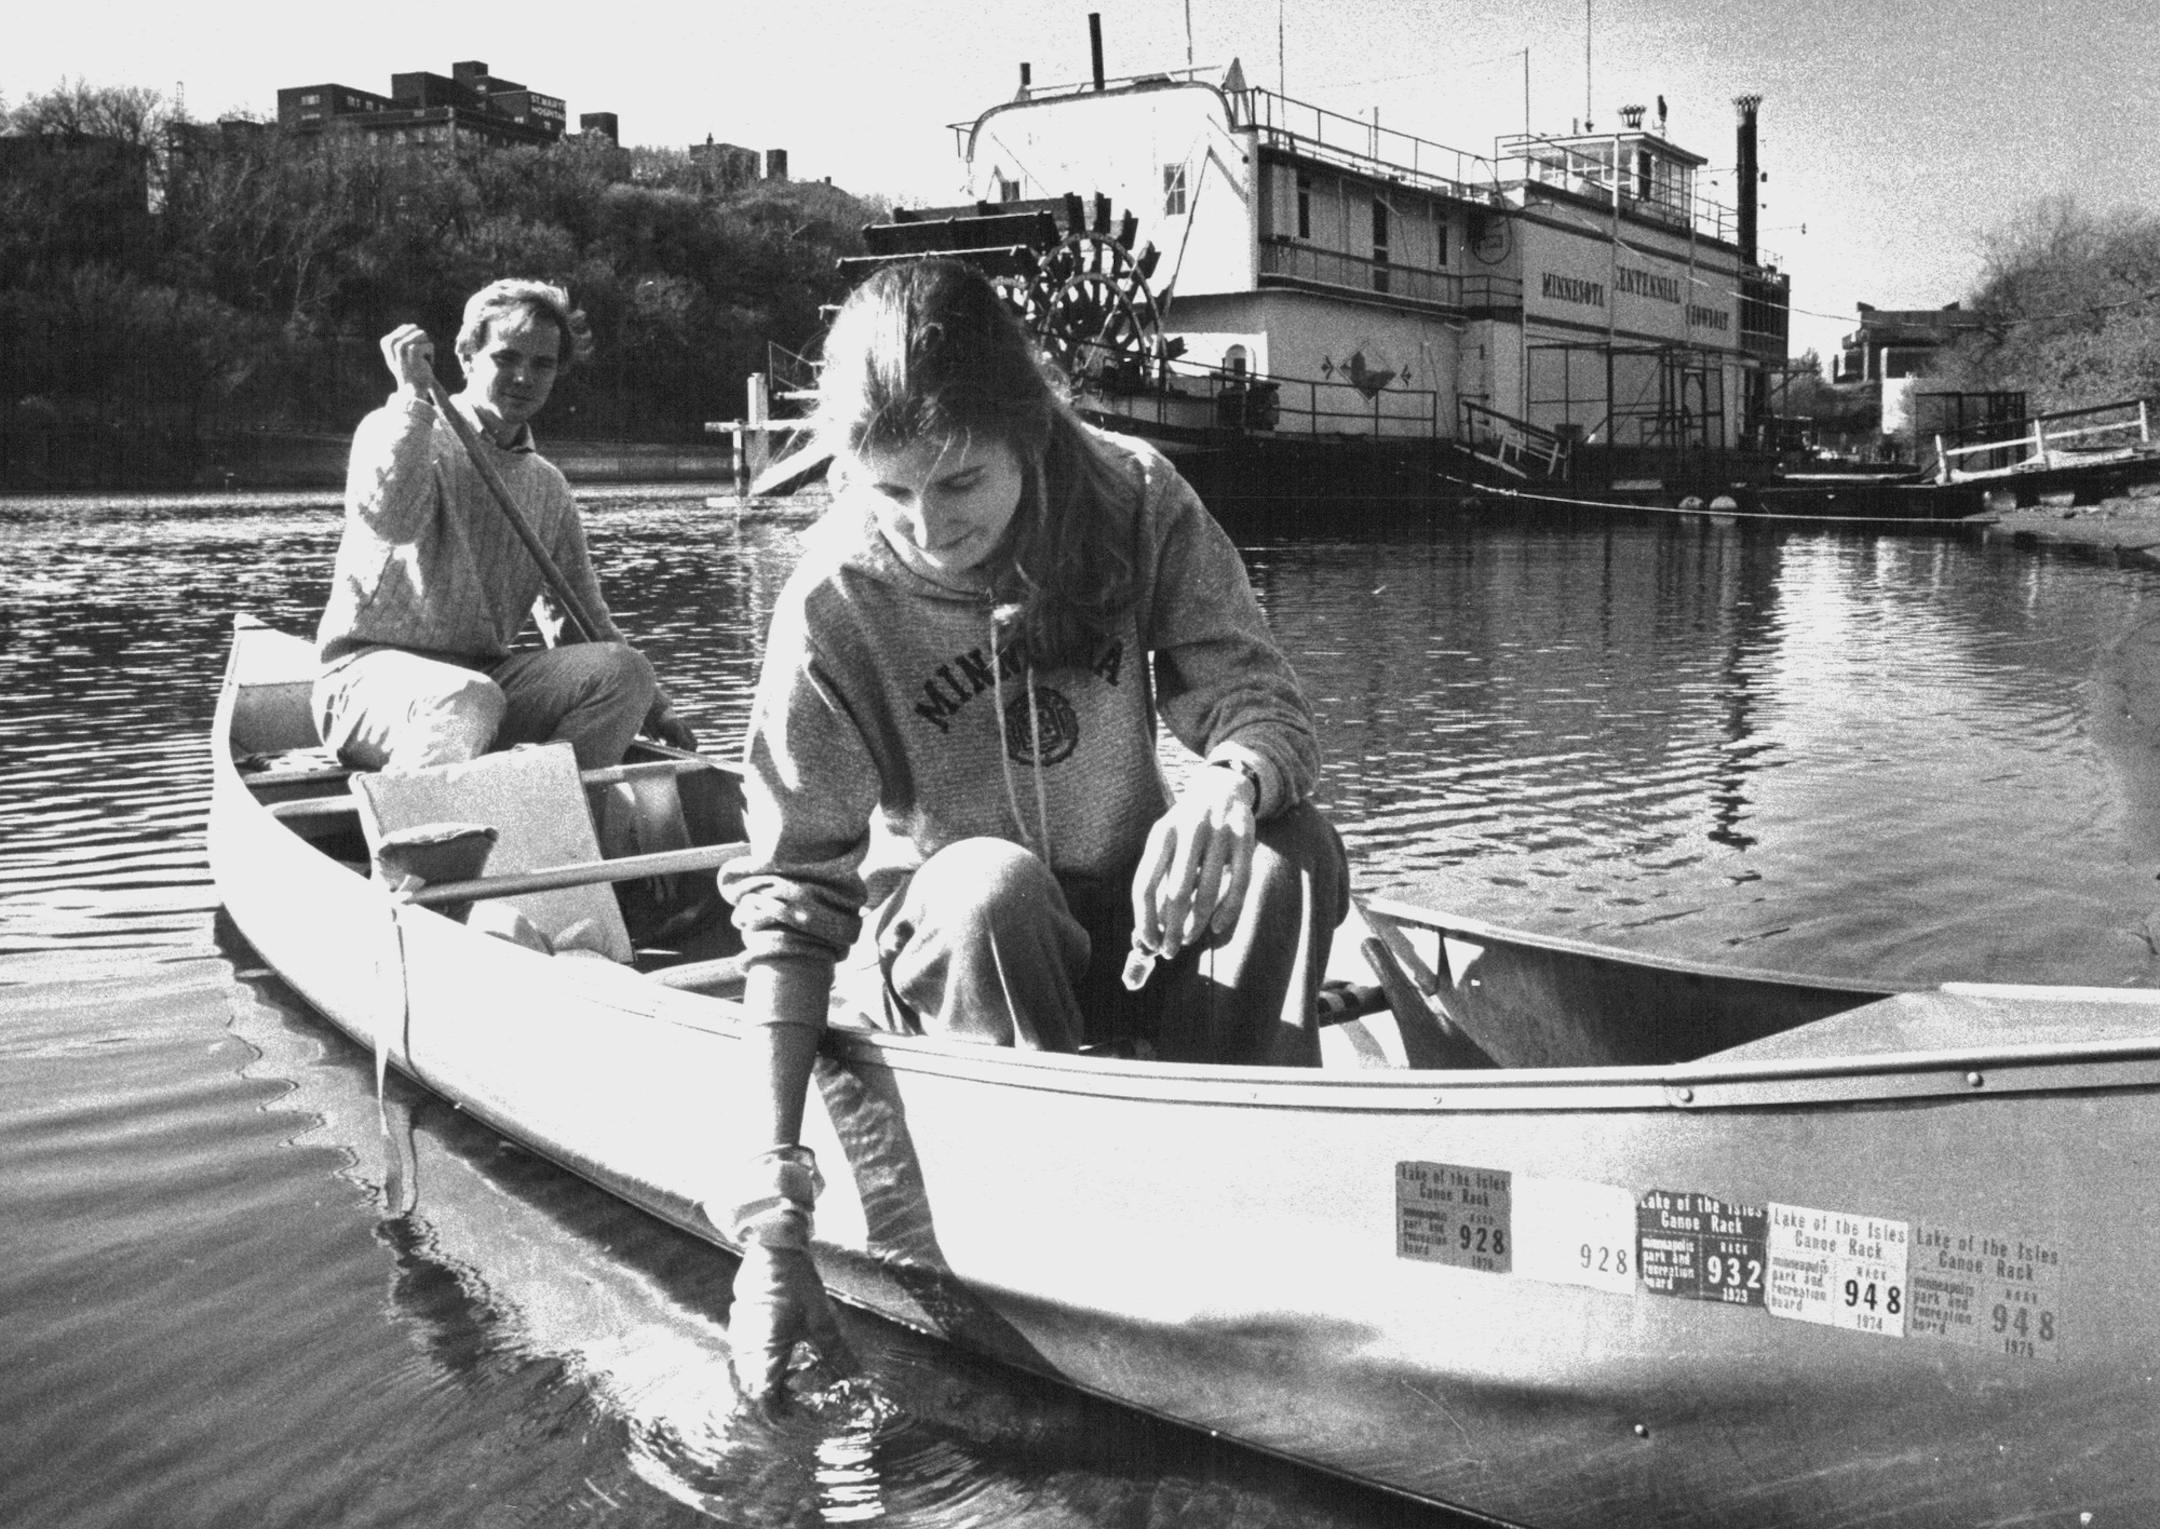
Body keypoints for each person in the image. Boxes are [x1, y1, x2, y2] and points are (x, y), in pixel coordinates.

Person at [713, 257, 1348, 1401]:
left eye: (960, 482)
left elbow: (1264, 703)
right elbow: (788, 894)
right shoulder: (835, 599)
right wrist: (772, 1202)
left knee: (1291, 850)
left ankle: (1255, 1194)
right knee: (991, 886)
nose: (926, 526)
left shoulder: (1136, 494)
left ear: (1028, 431)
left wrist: (1229, 780)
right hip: (959, 953)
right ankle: (1069, 1242)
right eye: (889, 490)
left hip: (1133, 930)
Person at [313, 278, 694, 773]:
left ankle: (545, 812)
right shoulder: (396, 428)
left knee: (626, 671)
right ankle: (420, 843)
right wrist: (411, 396)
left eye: (542, 364)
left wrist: (656, 705)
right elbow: (391, 523)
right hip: (363, 682)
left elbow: (582, 622)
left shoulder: (547, 486)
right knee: (465, 698)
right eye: (506, 358)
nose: (523, 378)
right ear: (467, 356)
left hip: (482, 684)